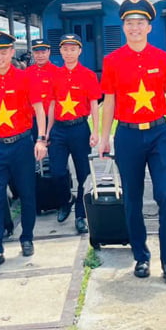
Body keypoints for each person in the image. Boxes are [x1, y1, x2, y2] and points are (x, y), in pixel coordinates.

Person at [98, 0, 166, 282]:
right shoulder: (112, 61)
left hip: (159, 134)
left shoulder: (162, 59)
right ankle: (141, 257)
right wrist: (104, 136)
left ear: (149, 27)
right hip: (127, 136)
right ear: (123, 27)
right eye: (129, 23)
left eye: (140, 23)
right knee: (132, 201)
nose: (135, 28)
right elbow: (109, 101)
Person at [0, 31, 48, 270]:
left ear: (11, 52)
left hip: (21, 144)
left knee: (28, 194)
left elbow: (39, 109)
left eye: (3, 52)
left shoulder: (26, 78)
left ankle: (27, 237)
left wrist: (41, 140)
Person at [46, 33, 101, 234]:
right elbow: (52, 105)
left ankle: (81, 214)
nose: (69, 53)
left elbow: (94, 104)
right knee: (57, 171)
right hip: (59, 129)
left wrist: (96, 131)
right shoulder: (55, 75)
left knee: (83, 173)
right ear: (60, 51)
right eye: (65, 49)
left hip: (79, 128)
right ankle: (65, 200)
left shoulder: (88, 75)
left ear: (79, 50)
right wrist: (47, 132)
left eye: (73, 49)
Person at [26, 38, 58, 143]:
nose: (40, 56)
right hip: (32, 120)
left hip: (53, 119)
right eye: (36, 52)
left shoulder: (58, 72)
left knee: (54, 153)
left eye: (43, 52)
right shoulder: (26, 73)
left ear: (49, 52)